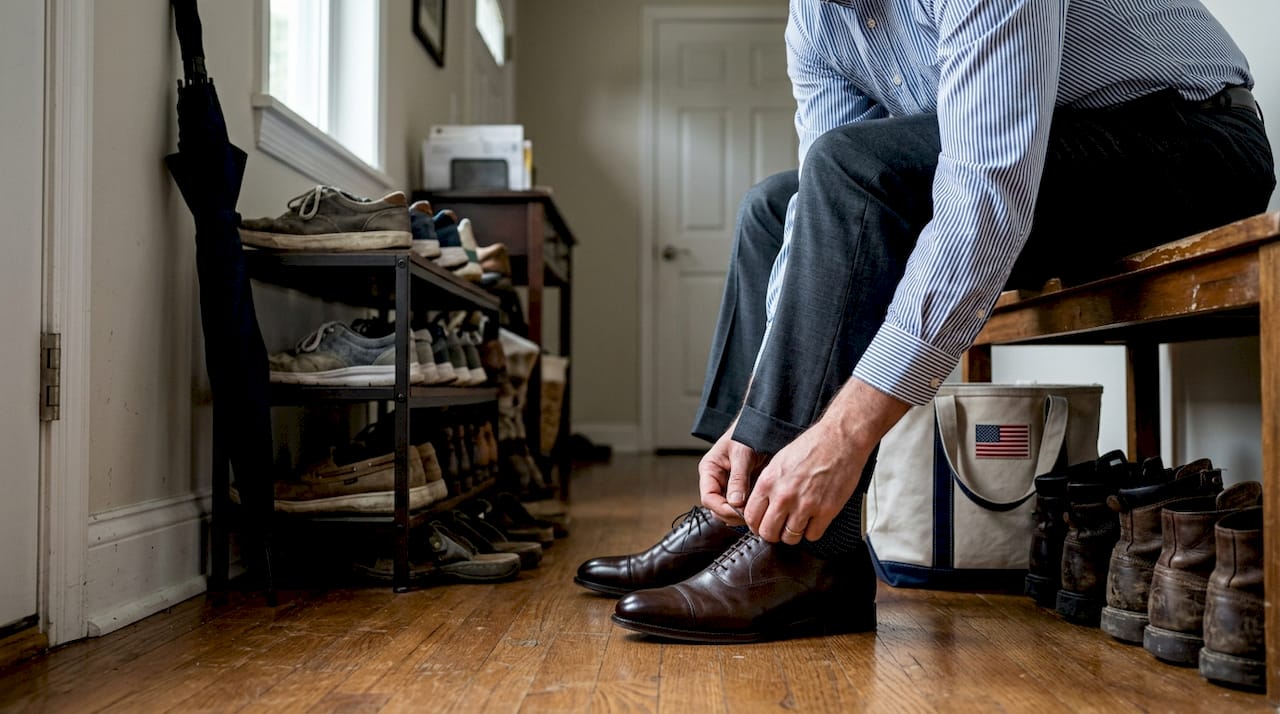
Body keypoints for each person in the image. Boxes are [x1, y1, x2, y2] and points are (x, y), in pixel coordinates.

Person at [575, 0, 1275, 643]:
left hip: (1191, 140)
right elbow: (817, 211)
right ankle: (745, 507)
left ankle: (806, 554)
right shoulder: (816, 18)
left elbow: (984, 197)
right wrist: (757, 419)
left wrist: (844, 436)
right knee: (772, 206)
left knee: (858, 169)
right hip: (1045, 148)